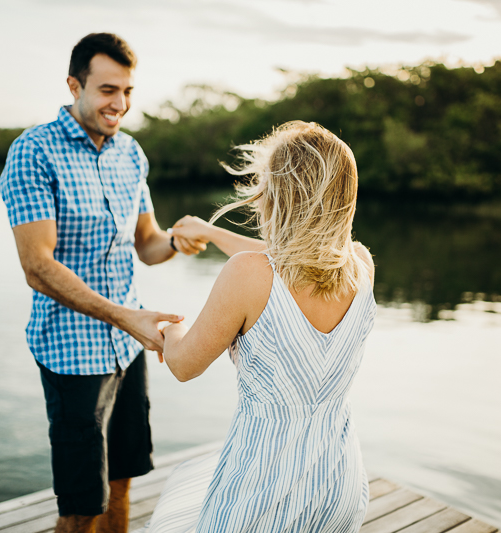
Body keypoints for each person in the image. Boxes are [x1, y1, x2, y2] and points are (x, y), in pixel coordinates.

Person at [0, 33, 205, 533]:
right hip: (72, 355)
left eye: (128, 91)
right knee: (81, 506)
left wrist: (178, 241)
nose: (121, 103)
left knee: (123, 482)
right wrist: (126, 316)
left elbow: (147, 244)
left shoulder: (131, 154)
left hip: (128, 348)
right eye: (108, 89)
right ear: (74, 85)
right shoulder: (33, 152)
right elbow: (38, 267)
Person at [138, 120, 377, 532]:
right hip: (339, 483)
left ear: (278, 194)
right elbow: (290, 256)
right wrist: (212, 234)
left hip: (260, 488)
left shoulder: (246, 274)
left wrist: (166, 327)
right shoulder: (361, 265)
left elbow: (182, 365)